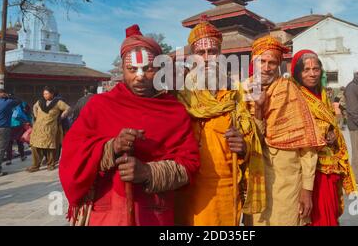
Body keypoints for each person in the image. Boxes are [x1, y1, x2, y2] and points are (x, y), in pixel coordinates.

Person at [59, 24, 200, 226]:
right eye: (132, 69)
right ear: (122, 70)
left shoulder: (175, 113)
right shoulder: (99, 106)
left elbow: (190, 165)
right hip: (106, 211)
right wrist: (111, 147)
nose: (139, 77)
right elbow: (72, 152)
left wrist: (148, 173)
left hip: (155, 212)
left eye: (148, 69)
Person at [175, 18, 266, 226]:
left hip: (226, 187)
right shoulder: (177, 98)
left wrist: (243, 147)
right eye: (201, 53)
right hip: (187, 190)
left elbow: (254, 138)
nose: (207, 59)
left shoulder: (235, 95)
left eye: (213, 52)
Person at [247, 37, 326, 226]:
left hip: (287, 182)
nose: (266, 68)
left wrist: (307, 189)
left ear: (279, 65)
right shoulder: (242, 91)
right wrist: (258, 109)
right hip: (254, 179)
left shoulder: (290, 91)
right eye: (261, 62)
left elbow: (307, 146)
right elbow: (247, 138)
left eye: (272, 62)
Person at [291, 50, 357, 226]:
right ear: (297, 73)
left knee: (329, 214)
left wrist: (332, 134)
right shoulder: (293, 95)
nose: (312, 74)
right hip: (306, 168)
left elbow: (331, 122)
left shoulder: (323, 94)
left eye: (316, 68)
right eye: (306, 70)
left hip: (329, 166)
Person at [26, 86, 70, 172]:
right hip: (38, 128)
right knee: (35, 146)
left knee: (50, 147)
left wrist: (61, 116)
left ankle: (51, 164)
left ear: (52, 94)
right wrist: (36, 116)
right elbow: (34, 107)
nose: (45, 95)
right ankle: (35, 165)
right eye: (44, 94)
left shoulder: (58, 102)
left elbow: (68, 108)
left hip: (50, 128)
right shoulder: (40, 101)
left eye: (47, 93)